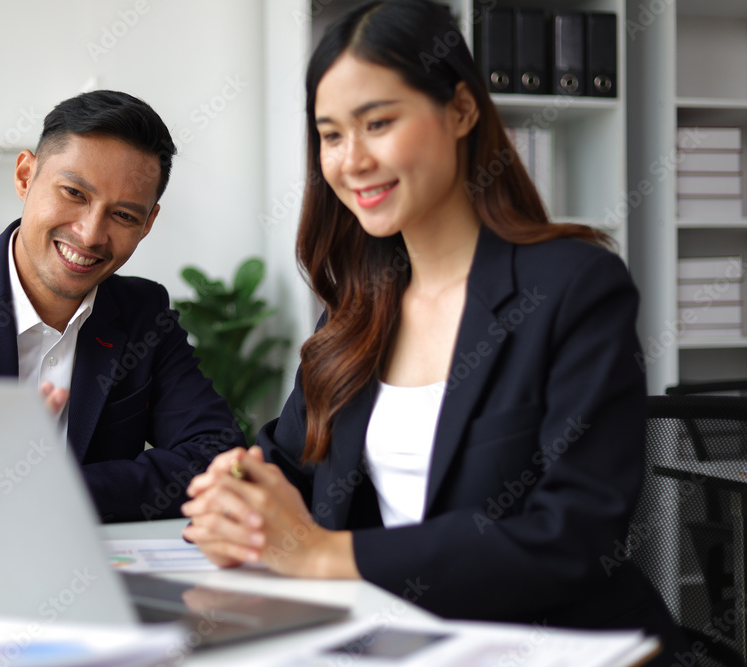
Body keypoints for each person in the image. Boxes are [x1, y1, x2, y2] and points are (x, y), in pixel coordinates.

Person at [181, 0, 689, 659]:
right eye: (331, 135)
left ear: (461, 110)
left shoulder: (574, 286)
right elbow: (287, 464)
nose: (351, 159)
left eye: (379, 122)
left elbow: (574, 536)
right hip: (400, 640)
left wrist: (323, 554)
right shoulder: (357, 310)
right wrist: (236, 495)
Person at [0, 90, 244, 523]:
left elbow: (216, 457)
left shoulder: (143, 313)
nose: (91, 233)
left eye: (124, 216)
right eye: (74, 193)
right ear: (25, 176)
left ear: (147, 223)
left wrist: (49, 490)